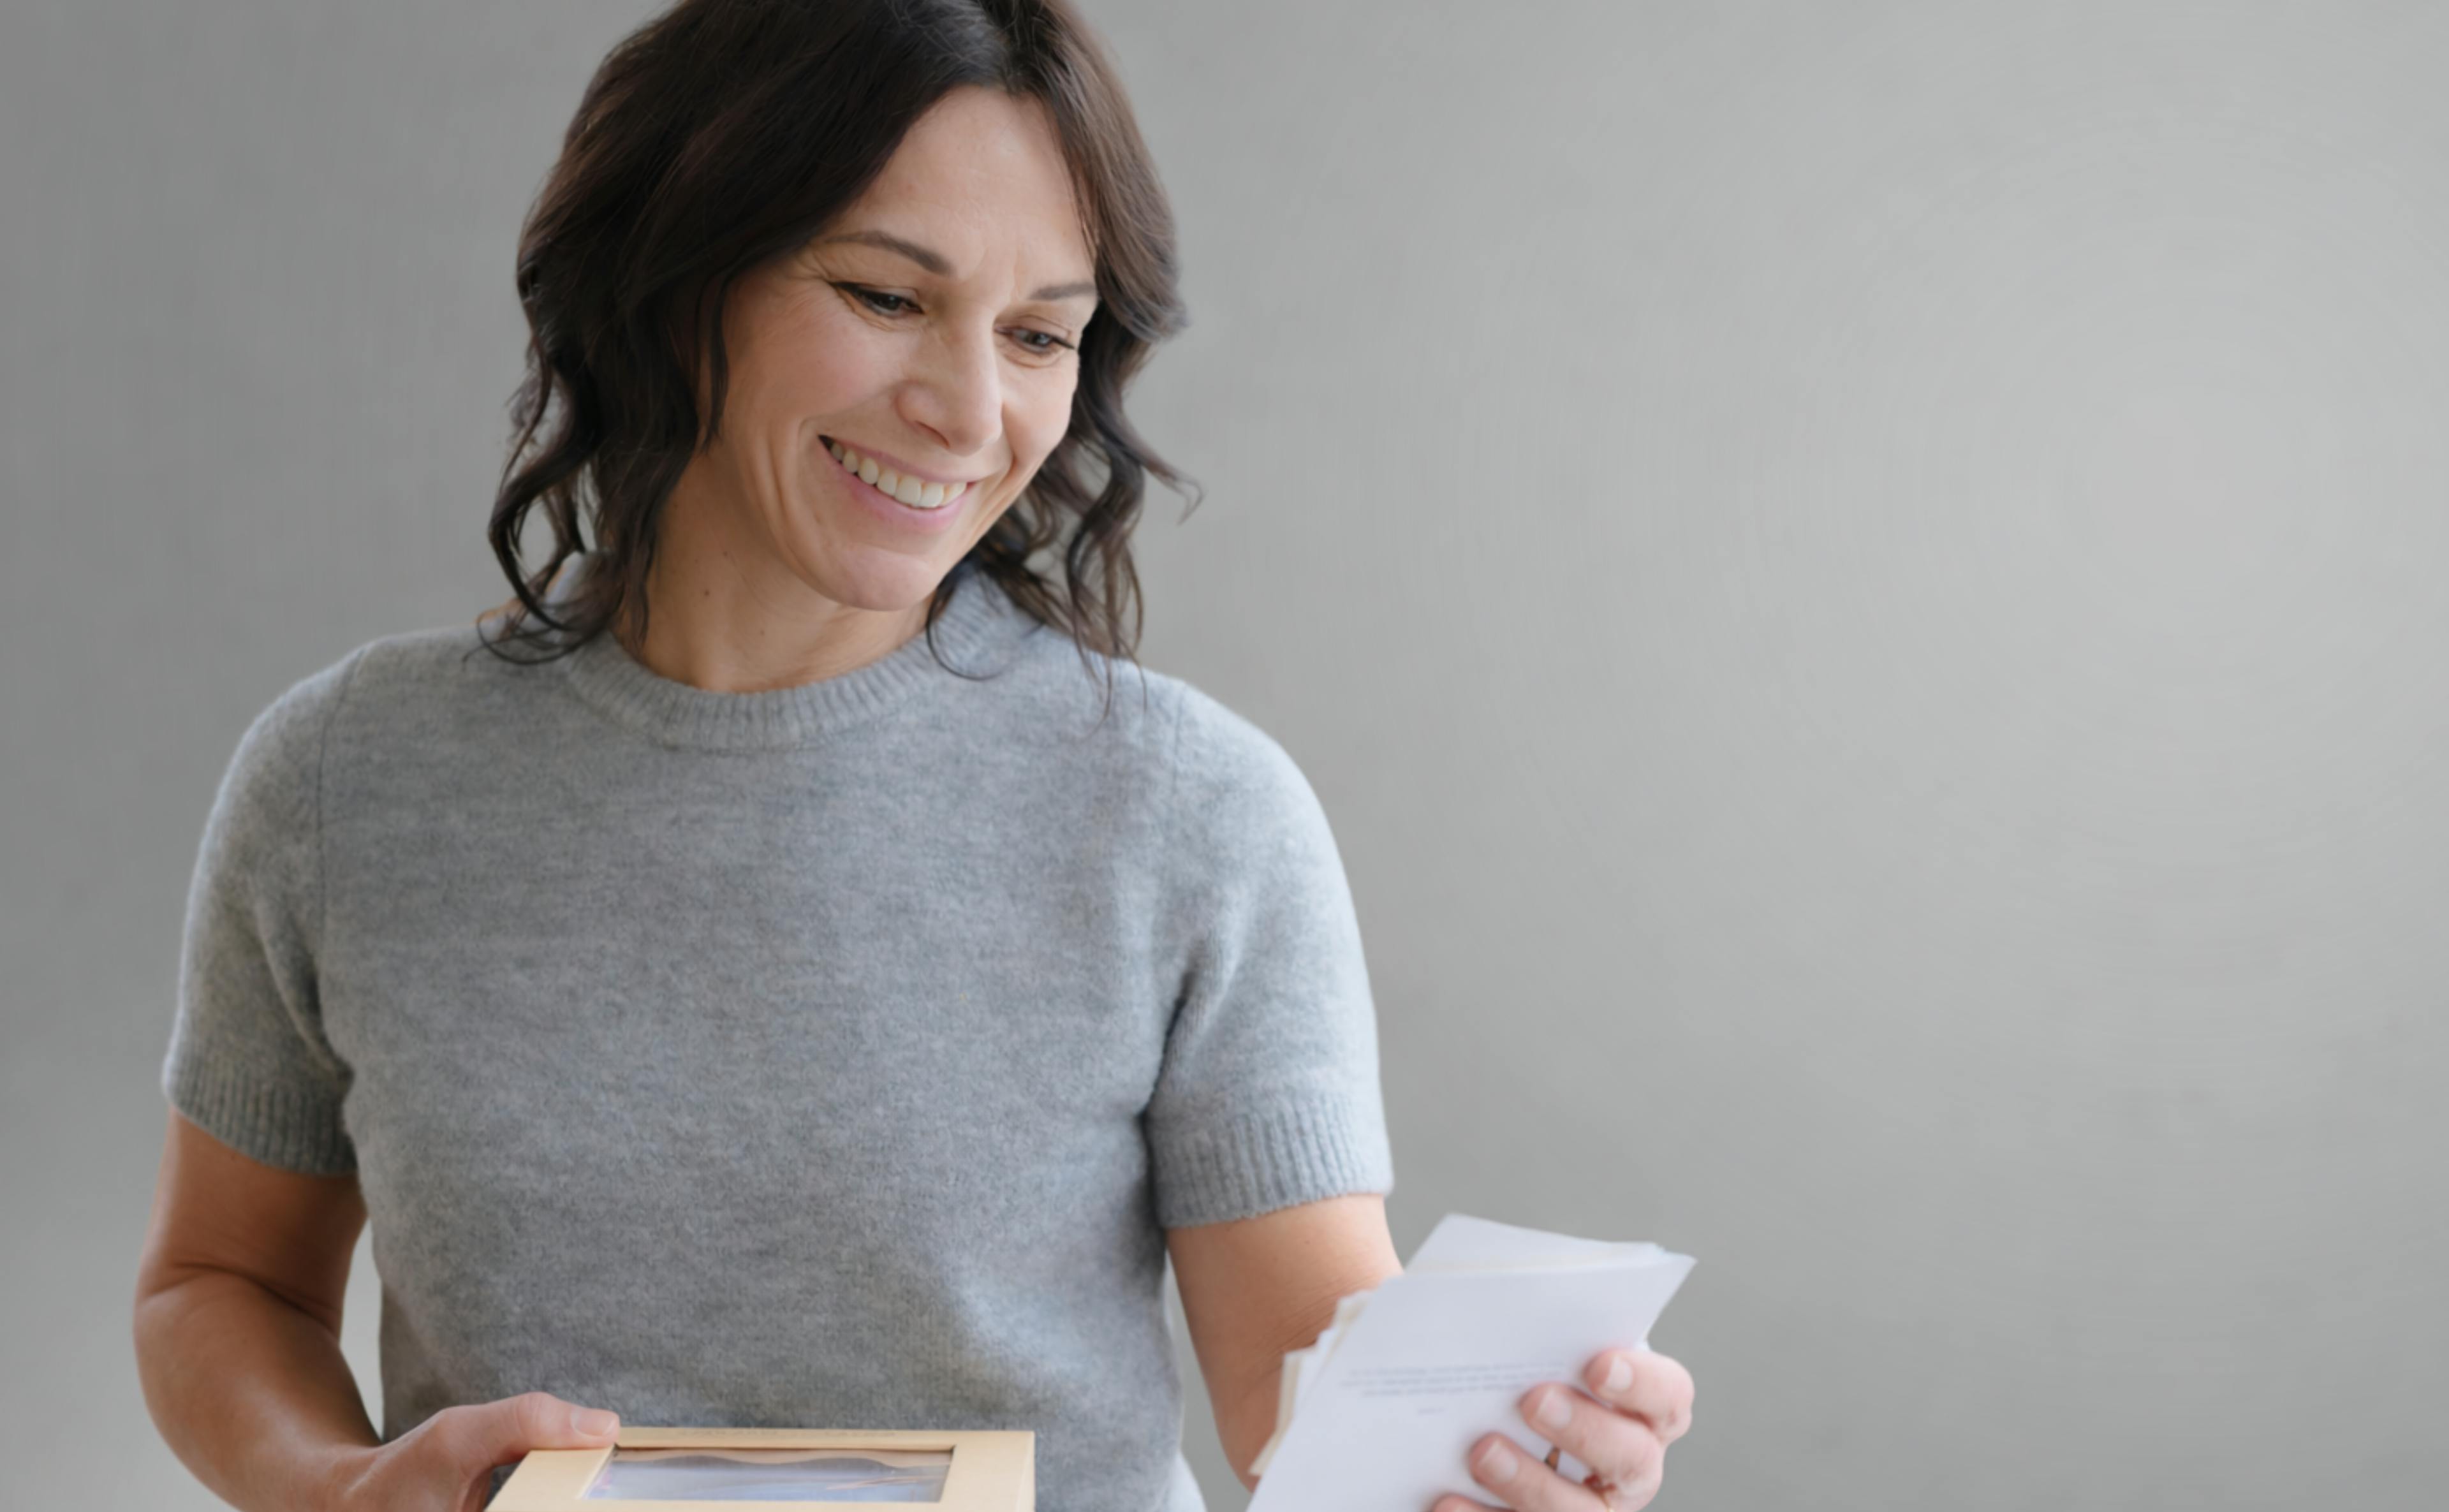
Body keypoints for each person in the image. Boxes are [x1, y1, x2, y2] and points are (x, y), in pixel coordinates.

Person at [129, 3, 1695, 1510]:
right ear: (677, 281)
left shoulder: (1195, 816)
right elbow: (225, 1282)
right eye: (886, 296)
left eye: (1038, 335)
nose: (968, 411)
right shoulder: (349, 781)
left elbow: (1307, 1393)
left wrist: (1499, 1460)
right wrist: (335, 1489)